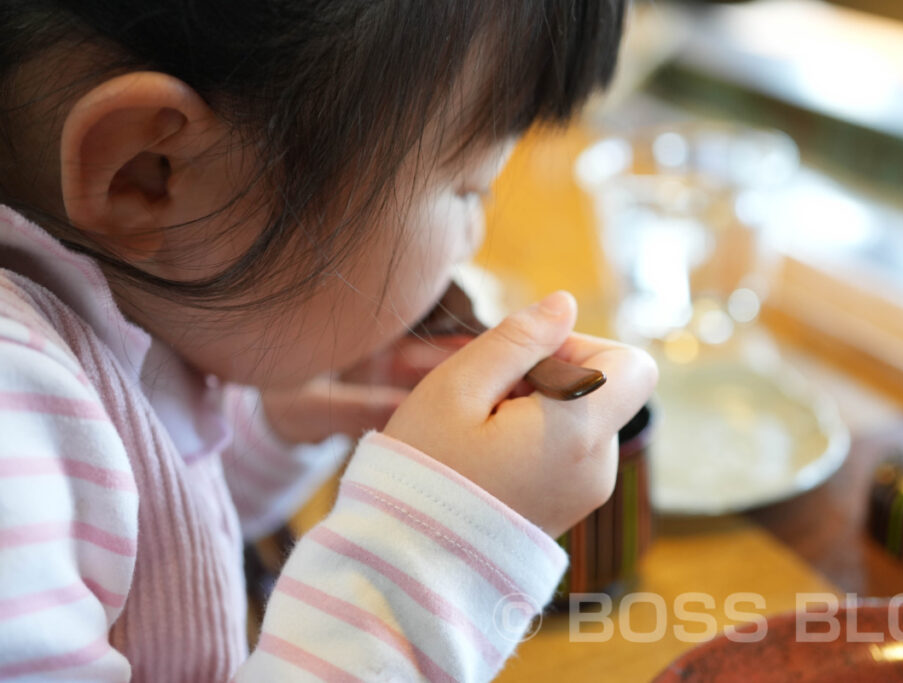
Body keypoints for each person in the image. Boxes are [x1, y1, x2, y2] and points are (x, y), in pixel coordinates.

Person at [0, 1, 656, 681]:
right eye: (467, 188)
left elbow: (144, 549)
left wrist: (276, 426)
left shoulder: (99, 302)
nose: (475, 238)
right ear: (151, 171)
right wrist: (436, 549)